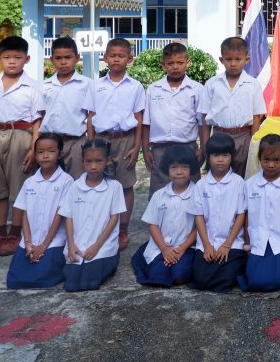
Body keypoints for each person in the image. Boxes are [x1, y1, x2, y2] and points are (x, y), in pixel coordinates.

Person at [0, 35, 44, 257]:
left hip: (20, 135)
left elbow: (38, 121)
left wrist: (34, 148)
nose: (12, 61)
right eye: (7, 57)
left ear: (27, 59)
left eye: (17, 57)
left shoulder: (33, 87)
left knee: (19, 187)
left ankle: (15, 234)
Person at [84, 38, 145, 251]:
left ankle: (122, 230)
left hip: (125, 139)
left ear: (130, 58)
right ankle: (101, 228)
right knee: (99, 183)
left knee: (125, 185)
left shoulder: (135, 87)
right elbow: (91, 116)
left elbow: (139, 118)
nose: (116, 59)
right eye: (112, 55)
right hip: (101, 139)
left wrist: (136, 147)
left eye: (121, 56)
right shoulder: (95, 85)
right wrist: (91, 143)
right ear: (105, 58)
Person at [6, 133, 74, 289]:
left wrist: (44, 245)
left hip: (53, 241)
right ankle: (30, 250)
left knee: (43, 278)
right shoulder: (29, 182)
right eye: (40, 152)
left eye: (51, 151)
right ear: (35, 155)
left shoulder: (67, 181)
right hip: (31, 240)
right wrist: (28, 242)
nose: (45, 155)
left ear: (60, 154)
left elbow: (60, 215)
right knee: (15, 279)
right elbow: (24, 212)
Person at [60, 139, 126, 291]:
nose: (93, 166)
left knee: (89, 283)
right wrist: (71, 245)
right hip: (77, 245)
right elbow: (68, 217)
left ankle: (111, 260)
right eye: (88, 161)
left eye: (98, 161)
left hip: (102, 245)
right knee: (71, 284)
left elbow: (114, 218)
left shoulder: (114, 187)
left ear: (107, 160)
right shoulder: (75, 187)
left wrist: (97, 246)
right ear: (82, 162)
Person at [131, 144, 199, 287]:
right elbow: (152, 224)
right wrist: (164, 249)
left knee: (179, 276)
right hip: (161, 246)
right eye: (174, 167)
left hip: (186, 248)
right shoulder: (159, 195)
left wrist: (181, 249)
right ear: (167, 169)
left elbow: (199, 227)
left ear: (191, 169)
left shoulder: (197, 194)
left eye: (184, 167)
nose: (179, 172)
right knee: (158, 277)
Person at [238, 135, 280, 292]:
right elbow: (247, 216)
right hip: (258, 241)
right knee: (256, 281)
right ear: (259, 158)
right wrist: (247, 243)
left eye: (276, 160)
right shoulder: (250, 185)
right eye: (266, 160)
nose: (271, 164)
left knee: (278, 280)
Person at [199, 36, 267, 177]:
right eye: (228, 59)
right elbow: (205, 118)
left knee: (242, 177)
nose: (233, 64)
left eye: (238, 59)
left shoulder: (253, 85)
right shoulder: (212, 84)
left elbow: (256, 118)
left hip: (243, 138)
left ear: (247, 59)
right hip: (218, 137)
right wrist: (205, 146)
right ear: (221, 60)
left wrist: (253, 145)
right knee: (218, 177)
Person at [143, 42, 202, 195]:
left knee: (191, 190)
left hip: (187, 148)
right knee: (159, 190)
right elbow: (146, 122)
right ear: (163, 64)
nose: (175, 67)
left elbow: (202, 123)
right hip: (160, 149)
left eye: (180, 63)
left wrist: (203, 148)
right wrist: (145, 149)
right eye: (170, 63)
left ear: (188, 63)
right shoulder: (153, 89)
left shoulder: (196, 89)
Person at [191, 134, 247, 292]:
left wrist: (227, 244)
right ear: (208, 157)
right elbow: (199, 217)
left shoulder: (239, 183)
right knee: (200, 279)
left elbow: (241, 215)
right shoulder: (201, 185)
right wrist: (207, 245)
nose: (220, 160)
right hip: (207, 242)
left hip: (232, 243)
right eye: (216, 155)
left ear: (232, 157)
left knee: (227, 278)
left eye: (225, 155)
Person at [40, 37, 89, 179]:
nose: (63, 62)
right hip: (49, 143)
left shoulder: (87, 85)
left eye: (68, 57)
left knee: (77, 182)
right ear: (51, 59)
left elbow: (91, 116)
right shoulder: (44, 85)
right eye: (58, 58)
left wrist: (90, 143)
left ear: (77, 58)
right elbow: (40, 115)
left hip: (76, 142)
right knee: (50, 183)